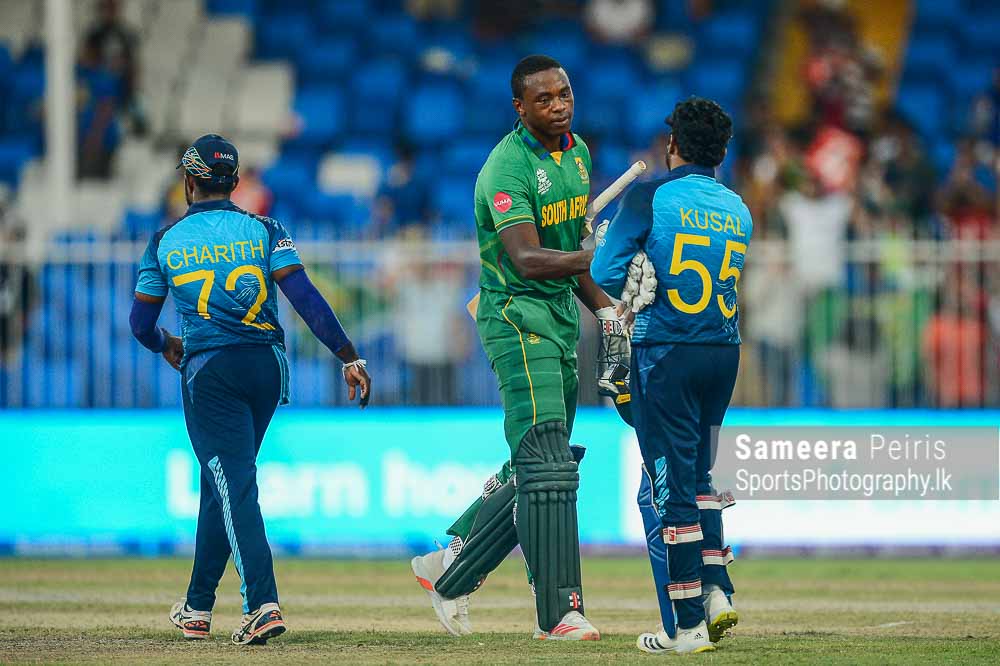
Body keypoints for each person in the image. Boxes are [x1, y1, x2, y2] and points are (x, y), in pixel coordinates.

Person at [409, 55, 629, 640]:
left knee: (539, 462)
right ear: (519, 107)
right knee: (546, 463)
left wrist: (608, 310)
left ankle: (449, 565)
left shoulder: (579, 155)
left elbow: (570, 259)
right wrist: (599, 256)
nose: (559, 106)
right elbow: (529, 259)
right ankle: (559, 613)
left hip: (559, 317)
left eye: (565, 94)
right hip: (515, 315)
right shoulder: (504, 168)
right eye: (544, 99)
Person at [129, 134, 371, 646]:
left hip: (211, 370)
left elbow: (140, 324)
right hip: (266, 368)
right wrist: (348, 355)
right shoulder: (265, 229)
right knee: (221, 482)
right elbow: (304, 296)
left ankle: (262, 603)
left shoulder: (165, 240)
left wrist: (165, 343)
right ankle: (197, 607)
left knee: (232, 483)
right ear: (235, 182)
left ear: (189, 182)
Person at [591, 97, 751, 654]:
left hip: (666, 353)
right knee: (700, 476)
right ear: (722, 153)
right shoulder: (738, 208)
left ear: (672, 145)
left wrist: (615, 248)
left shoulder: (648, 195)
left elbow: (606, 272)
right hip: (722, 353)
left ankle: (687, 626)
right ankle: (716, 591)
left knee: (670, 489)